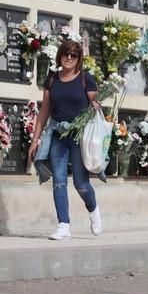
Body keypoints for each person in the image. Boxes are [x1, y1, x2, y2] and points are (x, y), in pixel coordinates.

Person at [28, 40, 102, 240]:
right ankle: (63, 225)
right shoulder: (52, 80)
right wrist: (35, 140)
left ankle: (93, 210)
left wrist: (96, 106)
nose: (69, 58)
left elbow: (95, 104)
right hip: (58, 136)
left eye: (74, 55)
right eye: (66, 54)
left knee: (81, 184)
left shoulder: (86, 79)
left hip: (79, 137)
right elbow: (44, 111)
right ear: (60, 56)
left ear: (79, 59)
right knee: (59, 182)